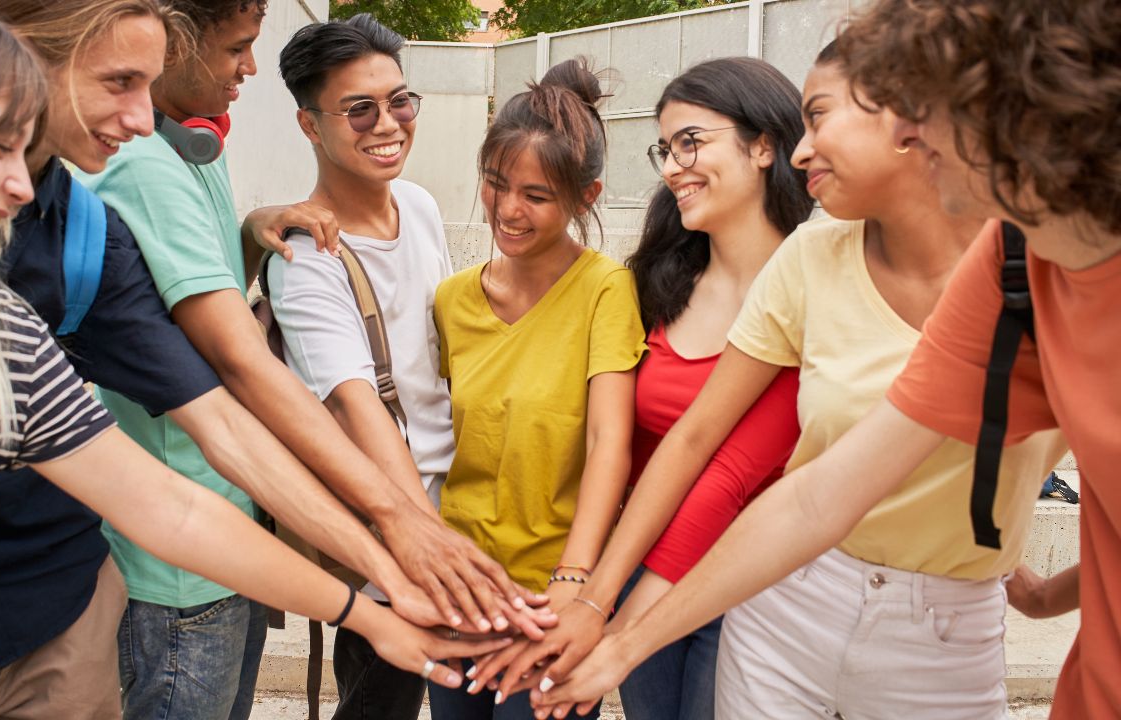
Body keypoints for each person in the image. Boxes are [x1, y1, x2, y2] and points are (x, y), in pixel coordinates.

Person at [0, 1, 507, 718]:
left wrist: (377, 596)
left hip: (47, 596)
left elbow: (179, 494)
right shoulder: (115, 200)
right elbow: (245, 377)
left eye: (22, 149)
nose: (20, 183)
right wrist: (394, 536)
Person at [527, 40, 1068, 720]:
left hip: (936, 633)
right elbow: (797, 489)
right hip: (785, 592)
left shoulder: (1040, 277)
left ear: (912, 121)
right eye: (664, 151)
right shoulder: (801, 261)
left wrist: (1048, 591)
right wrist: (603, 607)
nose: (802, 149)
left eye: (818, 120)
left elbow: (753, 478)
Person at [74, 2, 539, 716]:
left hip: (248, 530)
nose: (247, 69)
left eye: (400, 102)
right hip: (193, 558)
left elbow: (197, 277)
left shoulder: (200, 152)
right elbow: (253, 376)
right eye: (359, 110)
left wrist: (251, 231)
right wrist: (407, 533)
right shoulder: (186, 189)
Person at [473, 56, 808, 720]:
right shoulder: (658, 280)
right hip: (640, 573)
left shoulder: (809, 283)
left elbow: (722, 472)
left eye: (691, 142)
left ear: (766, 145)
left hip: (745, 587)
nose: (670, 167)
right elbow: (619, 443)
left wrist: (601, 612)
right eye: (665, 147)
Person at [269, 14, 507, 719]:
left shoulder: (420, 205)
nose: (388, 124)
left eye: (400, 101)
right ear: (310, 126)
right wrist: (419, 545)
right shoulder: (308, 259)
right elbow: (355, 405)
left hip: (464, 513)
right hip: (392, 542)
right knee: (382, 703)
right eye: (359, 109)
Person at [429, 58, 648, 720]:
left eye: (537, 195)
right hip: (458, 588)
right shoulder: (451, 301)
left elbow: (611, 441)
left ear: (587, 196)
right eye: (496, 184)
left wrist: (575, 584)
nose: (508, 209)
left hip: (550, 593)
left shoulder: (606, 290)